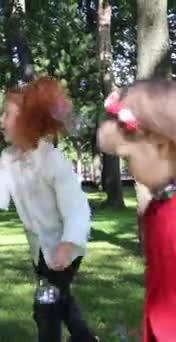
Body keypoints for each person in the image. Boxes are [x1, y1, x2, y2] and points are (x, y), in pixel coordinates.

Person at [0, 77, 97, 341]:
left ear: (28, 119)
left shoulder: (53, 161)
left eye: (7, 113)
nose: (1, 120)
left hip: (66, 249)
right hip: (40, 253)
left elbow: (78, 210)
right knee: (61, 301)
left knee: (46, 307)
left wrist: (68, 244)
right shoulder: (8, 160)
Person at [97, 80, 176, 342]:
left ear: (160, 144)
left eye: (129, 158)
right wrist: (149, 323)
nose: (129, 170)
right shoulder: (157, 209)